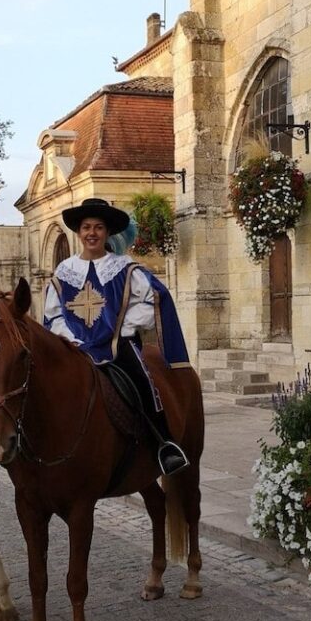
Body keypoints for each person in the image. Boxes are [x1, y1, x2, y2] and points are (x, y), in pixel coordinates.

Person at [44, 197, 190, 476]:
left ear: (108, 232)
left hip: (116, 346)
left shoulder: (124, 268)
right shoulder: (64, 273)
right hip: (74, 348)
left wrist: (121, 328)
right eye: (86, 227)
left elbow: (154, 299)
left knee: (142, 380)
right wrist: (71, 339)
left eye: (98, 227)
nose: (92, 233)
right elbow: (53, 316)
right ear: (79, 232)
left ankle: (164, 444)